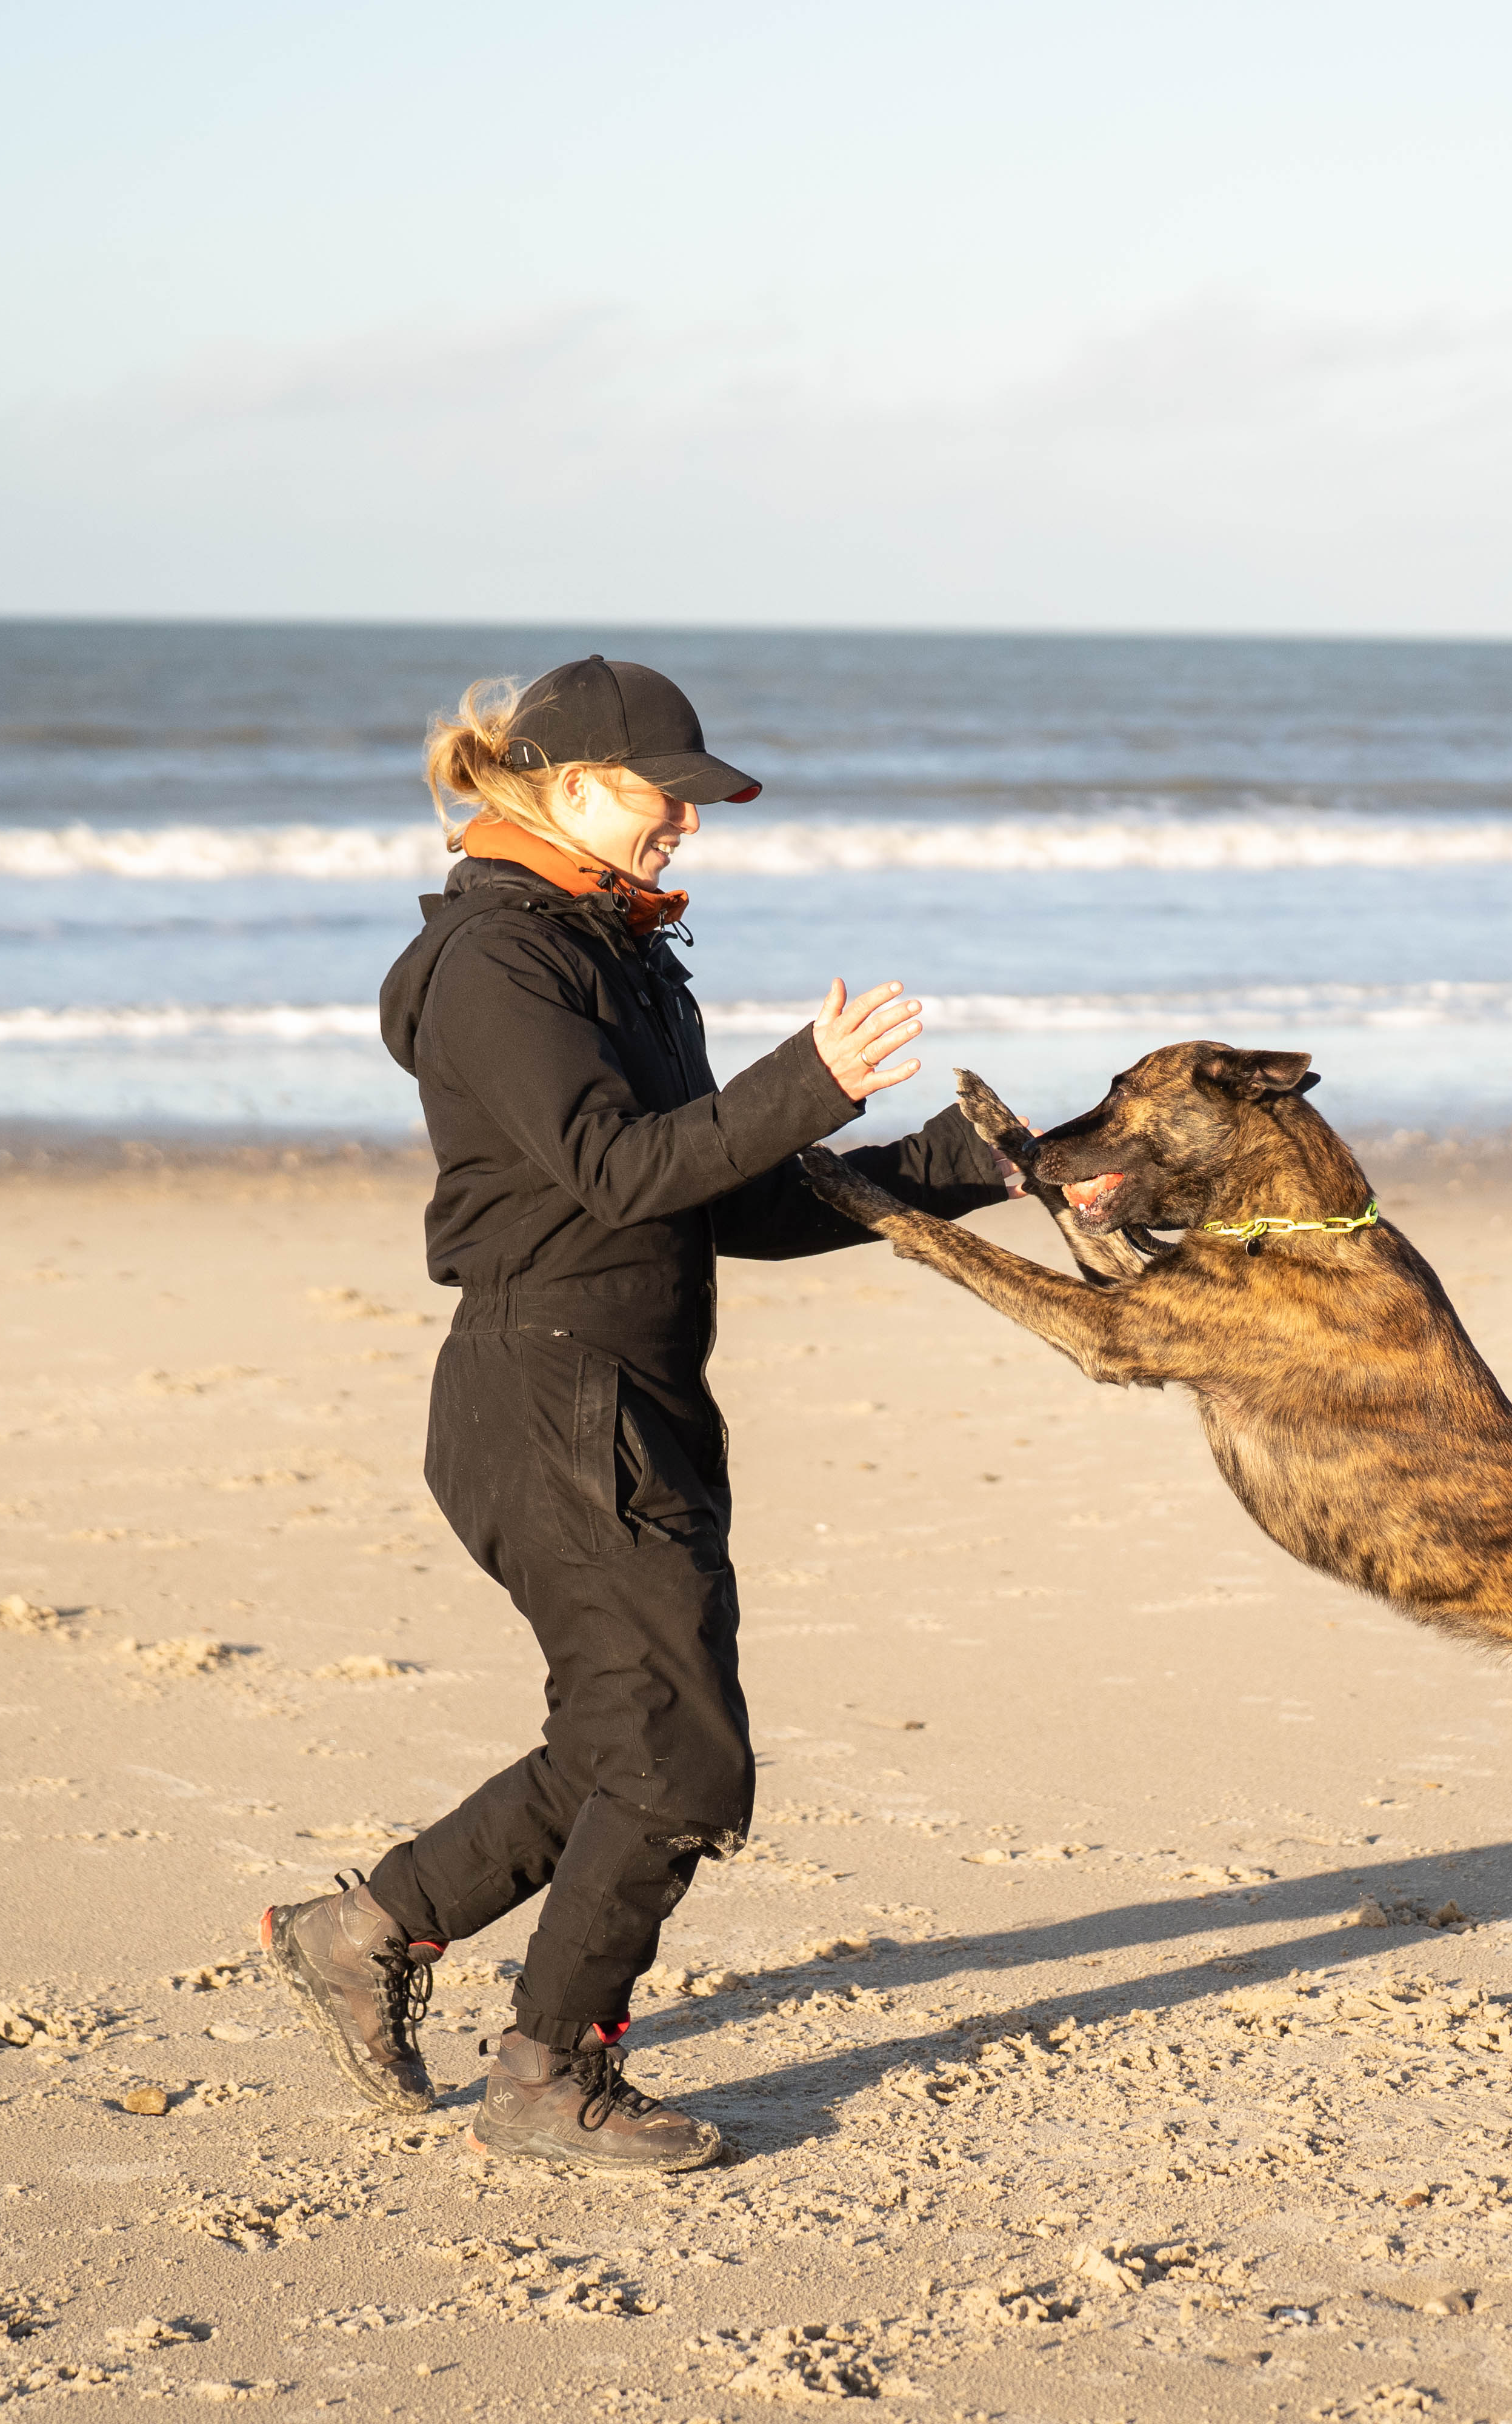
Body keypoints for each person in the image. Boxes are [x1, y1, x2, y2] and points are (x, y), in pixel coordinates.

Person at [258, 656, 1014, 2173]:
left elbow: (715, 1196)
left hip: (634, 1393)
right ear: (568, 781)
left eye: (694, 796)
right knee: (679, 1759)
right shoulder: (500, 966)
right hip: (547, 1393)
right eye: (667, 792)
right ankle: (544, 2073)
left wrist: (976, 1167)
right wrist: (812, 1075)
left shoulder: (613, 947)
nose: (686, 819)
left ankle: (365, 1929)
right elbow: (620, 1168)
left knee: (618, 1736)